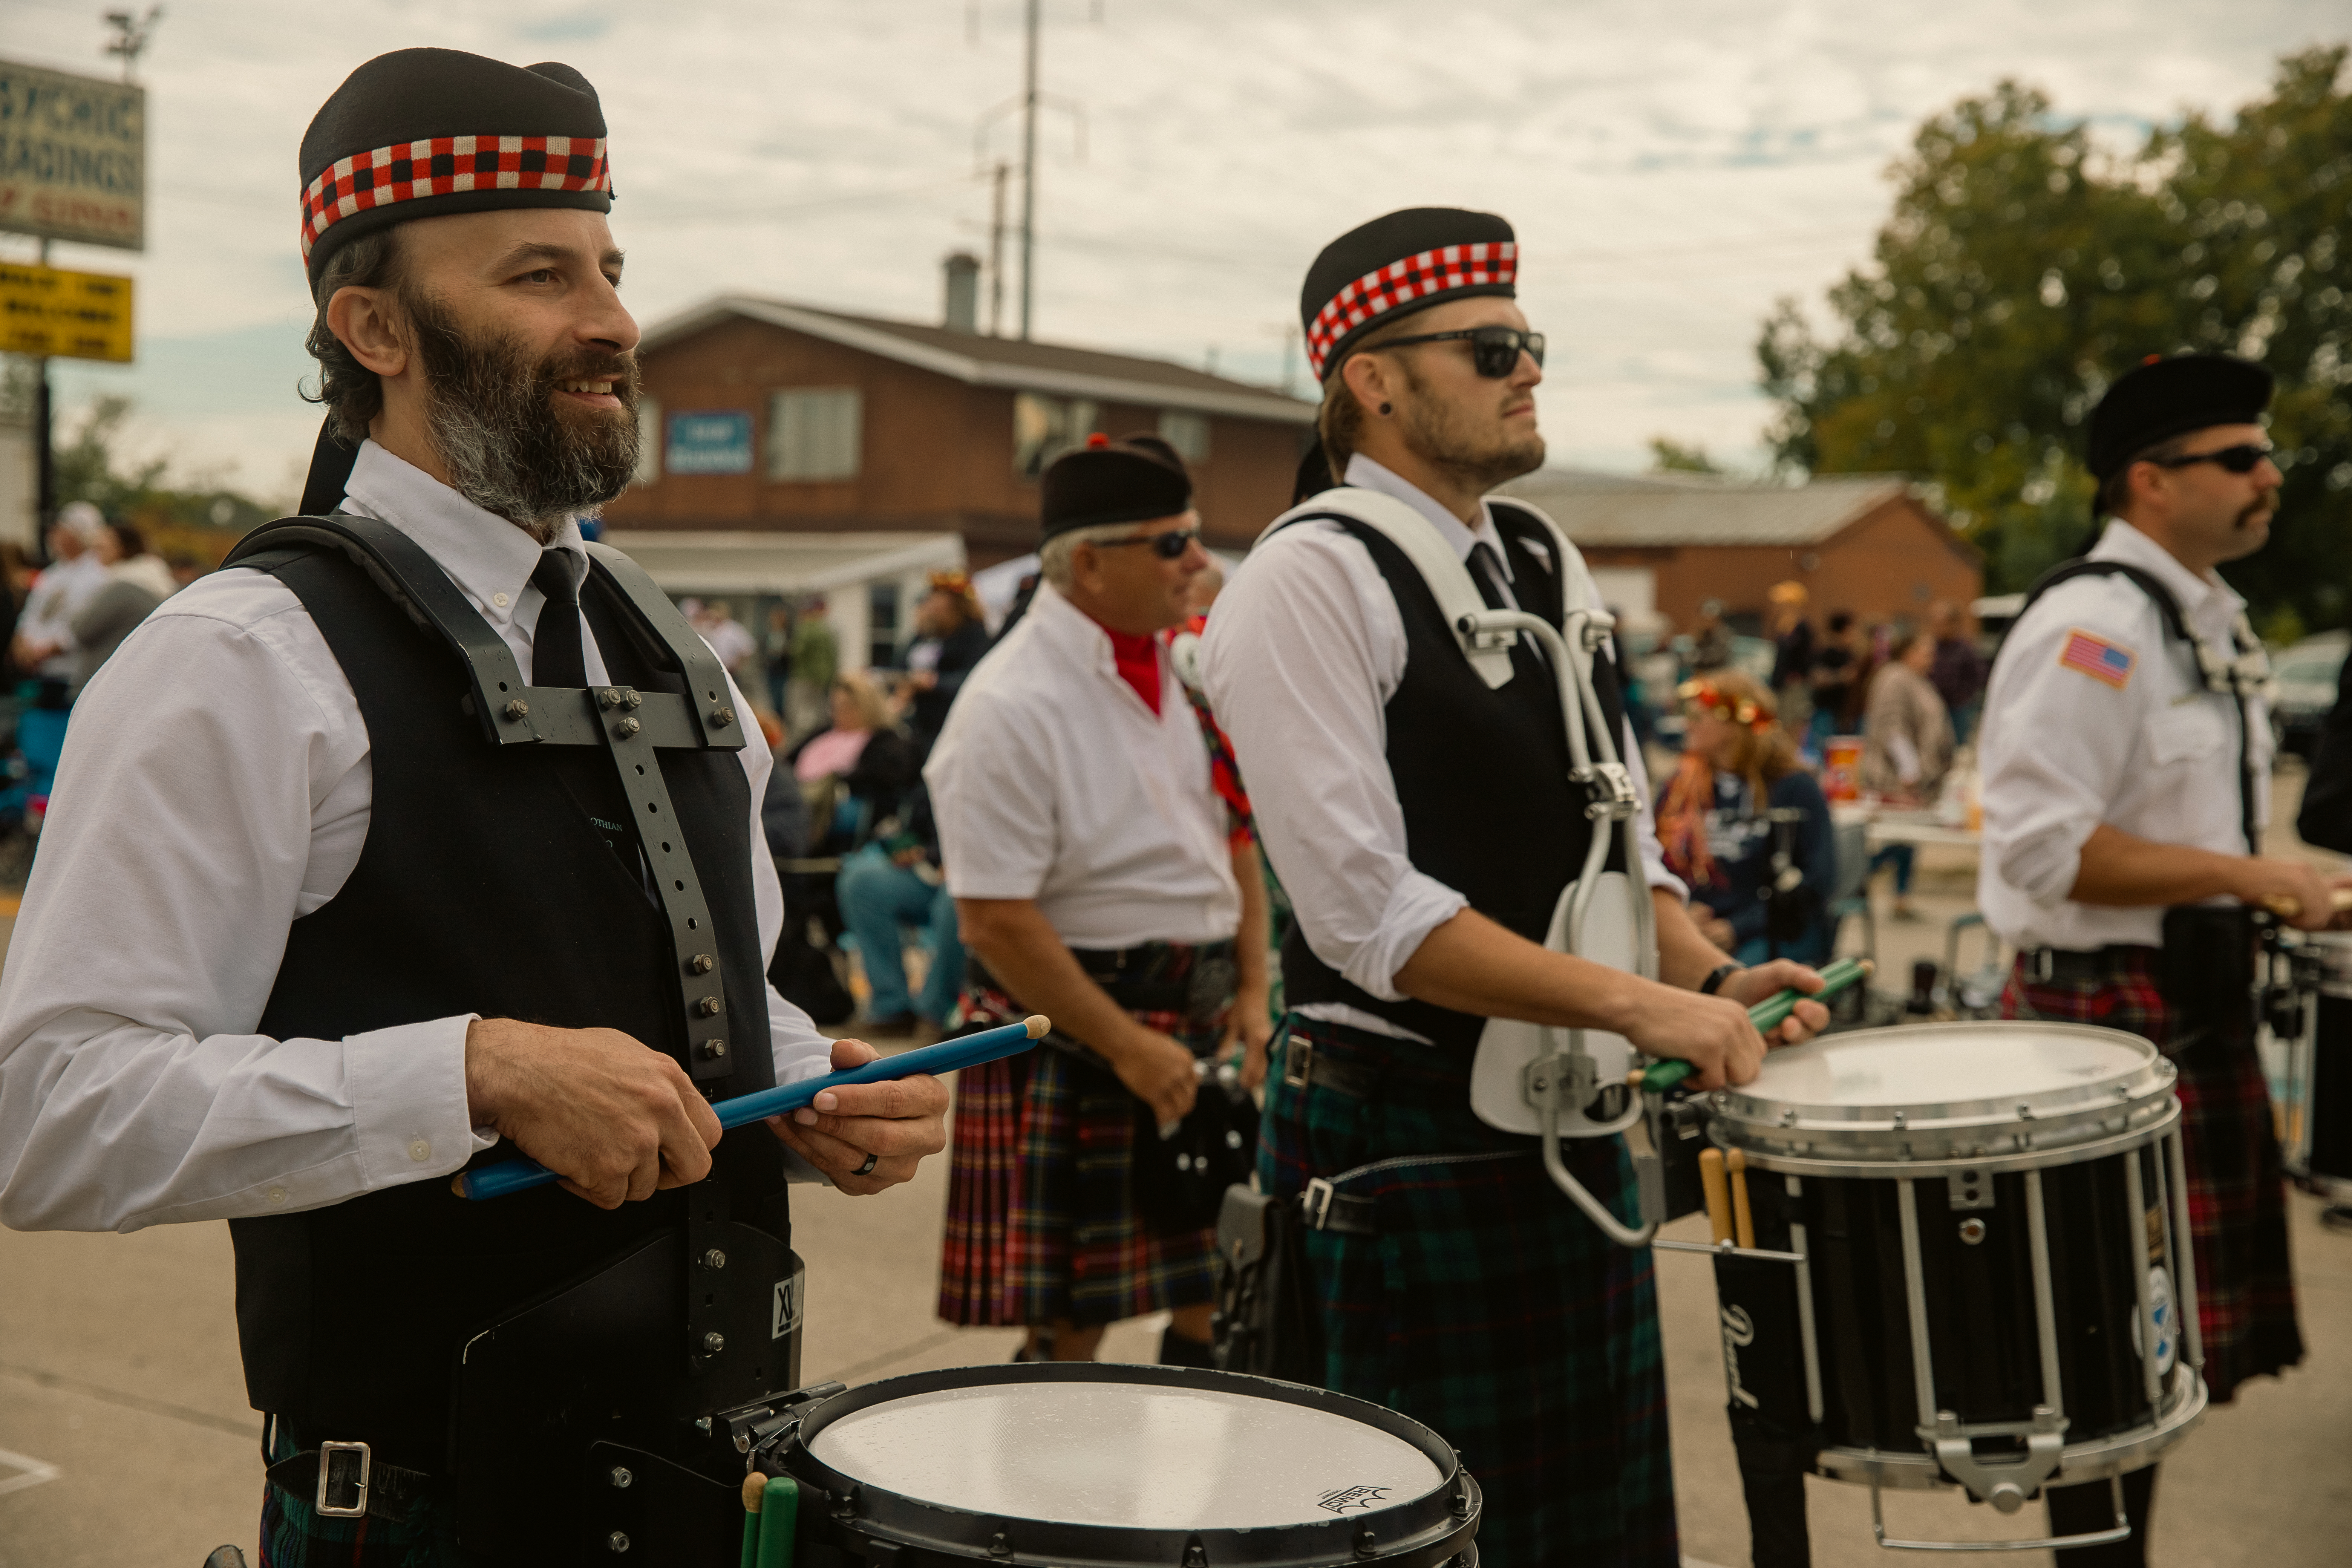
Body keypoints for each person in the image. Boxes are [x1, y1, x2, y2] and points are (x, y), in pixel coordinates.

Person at [0, 49, 949, 1565]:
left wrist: (807, 1076)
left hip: (718, 1482)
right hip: (431, 1511)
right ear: (371, 325)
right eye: (538, 275)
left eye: (612, 270)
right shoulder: (242, 657)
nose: (613, 323)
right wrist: (476, 1074)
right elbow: (43, 1114)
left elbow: (710, 994)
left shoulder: (679, 651)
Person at [1199, 207, 1828, 1566]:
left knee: (1593, 1535)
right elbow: (1372, 920)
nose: (1525, 368)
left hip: (1564, 1122)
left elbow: (1615, 842)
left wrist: (1705, 974)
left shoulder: (1541, 557)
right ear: (1371, 377)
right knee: (1426, 1541)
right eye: (1490, 347)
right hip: (1404, 1145)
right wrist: (1642, 1011)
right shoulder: (1300, 584)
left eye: (1528, 342)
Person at [1979, 352, 2325, 1566]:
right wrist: (2251, 875)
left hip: (2179, 1006)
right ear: (2147, 480)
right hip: (2107, 1021)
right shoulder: (2096, 626)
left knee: (2153, 1365)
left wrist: (2280, 893)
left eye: (2264, 452)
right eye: (2237, 458)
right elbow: (2037, 851)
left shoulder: (2196, 618)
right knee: (2109, 1363)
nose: (2267, 474)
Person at [929, 433, 1274, 1369]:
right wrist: (1127, 1047)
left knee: (1224, 1290)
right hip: (1087, 1033)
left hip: (1196, 1020)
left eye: (1195, 538)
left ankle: (1196, 1515)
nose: (1199, 562)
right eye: (1171, 544)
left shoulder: (1183, 670)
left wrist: (1252, 993)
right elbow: (992, 920)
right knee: (1073, 1332)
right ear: (1088, 561)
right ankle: (1042, 1515)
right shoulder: (1007, 704)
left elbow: (1234, 834)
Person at [1658, 671, 1838, 967]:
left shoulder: (1794, 788)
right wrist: (1679, 914)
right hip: (1690, 925)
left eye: (1698, 717)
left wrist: (1737, 928)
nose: (1687, 724)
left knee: (1734, 980)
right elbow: (1650, 861)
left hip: (1771, 930)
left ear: (1733, 725)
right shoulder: (1680, 789)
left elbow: (1817, 881)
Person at [1860, 625, 1955, 921]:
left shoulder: (1915, 680)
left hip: (1914, 778)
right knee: (1900, 839)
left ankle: (1901, 897)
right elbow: (1891, 726)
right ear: (1907, 651)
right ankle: (1855, 878)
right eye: (1925, 651)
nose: (1931, 658)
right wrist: (1910, 769)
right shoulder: (1895, 678)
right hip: (1896, 777)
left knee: (1907, 840)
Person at [10, 501, 112, 707]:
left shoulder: (99, 576)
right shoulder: (51, 574)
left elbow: (84, 627)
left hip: (70, 676)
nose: (53, 533)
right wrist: (21, 643)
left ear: (78, 535)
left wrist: (43, 652)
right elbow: (30, 615)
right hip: (39, 673)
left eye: (61, 529)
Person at [67, 521, 179, 698]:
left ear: (124, 547)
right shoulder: (157, 581)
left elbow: (80, 629)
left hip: (104, 685)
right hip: (135, 681)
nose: (97, 550)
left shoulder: (124, 585)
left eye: (104, 545)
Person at [899, 569, 991, 754]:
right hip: (919, 724)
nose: (931, 604)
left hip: (953, 725)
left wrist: (934, 683)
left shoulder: (973, 635)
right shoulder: (925, 634)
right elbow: (901, 664)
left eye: (938, 598)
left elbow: (974, 678)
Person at [1926, 597, 1988, 745]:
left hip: (1957, 709)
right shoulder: (1930, 648)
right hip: (1933, 707)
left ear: (1953, 624)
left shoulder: (1965, 649)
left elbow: (1977, 677)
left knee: (1957, 747)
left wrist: (1963, 697)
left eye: (1942, 623)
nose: (1938, 628)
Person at [1807, 608, 1860, 752]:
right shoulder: (1826, 653)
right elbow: (1816, 678)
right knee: (1824, 754)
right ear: (1845, 630)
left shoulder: (1851, 655)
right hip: (1826, 713)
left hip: (1844, 714)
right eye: (1853, 630)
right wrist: (1841, 676)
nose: (1856, 635)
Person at [786, 593, 838, 738]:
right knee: (818, 711)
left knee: (800, 712)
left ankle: (801, 739)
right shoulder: (826, 630)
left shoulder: (806, 629)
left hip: (804, 676)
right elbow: (832, 656)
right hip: (822, 677)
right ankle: (817, 737)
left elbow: (797, 652)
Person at [1766, 579, 1813, 735]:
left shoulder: (1802, 628)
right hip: (1782, 686)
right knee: (1780, 725)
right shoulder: (1784, 627)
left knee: (1792, 725)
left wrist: (1798, 675)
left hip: (1794, 687)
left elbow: (1807, 658)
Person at [762, 602, 794, 717]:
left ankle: (780, 716)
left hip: (782, 670)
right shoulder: (769, 633)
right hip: (771, 668)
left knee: (780, 697)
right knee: (771, 696)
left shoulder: (787, 634)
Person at [1689, 596, 1733, 672]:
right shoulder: (1701, 633)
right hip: (1701, 673)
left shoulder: (1724, 634)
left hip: (1718, 673)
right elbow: (1692, 651)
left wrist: (1699, 657)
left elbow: (1719, 657)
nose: (1707, 621)